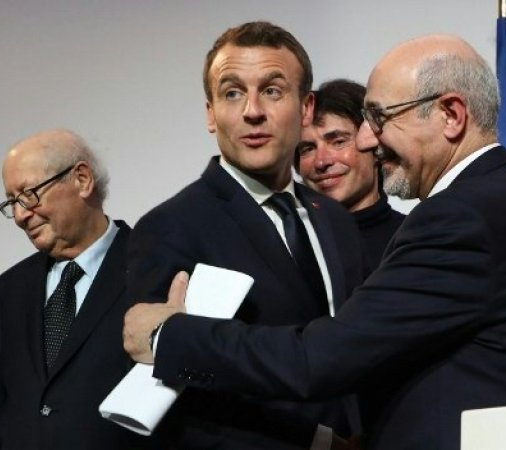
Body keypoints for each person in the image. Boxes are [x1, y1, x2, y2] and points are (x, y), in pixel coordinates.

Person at [124, 34, 506, 450]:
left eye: (379, 117)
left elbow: (321, 358)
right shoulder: (501, 199)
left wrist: (169, 335)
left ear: (450, 115)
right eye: (231, 93)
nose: (366, 139)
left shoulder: (461, 217)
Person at [125, 22, 365, 449]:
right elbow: (167, 398)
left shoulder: (336, 220)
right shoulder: (169, 228)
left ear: (306, 108)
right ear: (210, 114)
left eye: (272, 90)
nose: (252, 111)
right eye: (232, 93)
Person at [0, 129, 148, 449]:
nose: (20, 215)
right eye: (12, 202)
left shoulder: (150, 269)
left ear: (82, 179)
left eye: (28, 195)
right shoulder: (12, 287)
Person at [295, 79, 405, 273]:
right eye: (308, 149)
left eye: (338, 142)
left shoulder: (416, 239)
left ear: (377, 148)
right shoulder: (290, 245)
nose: (321, 162)